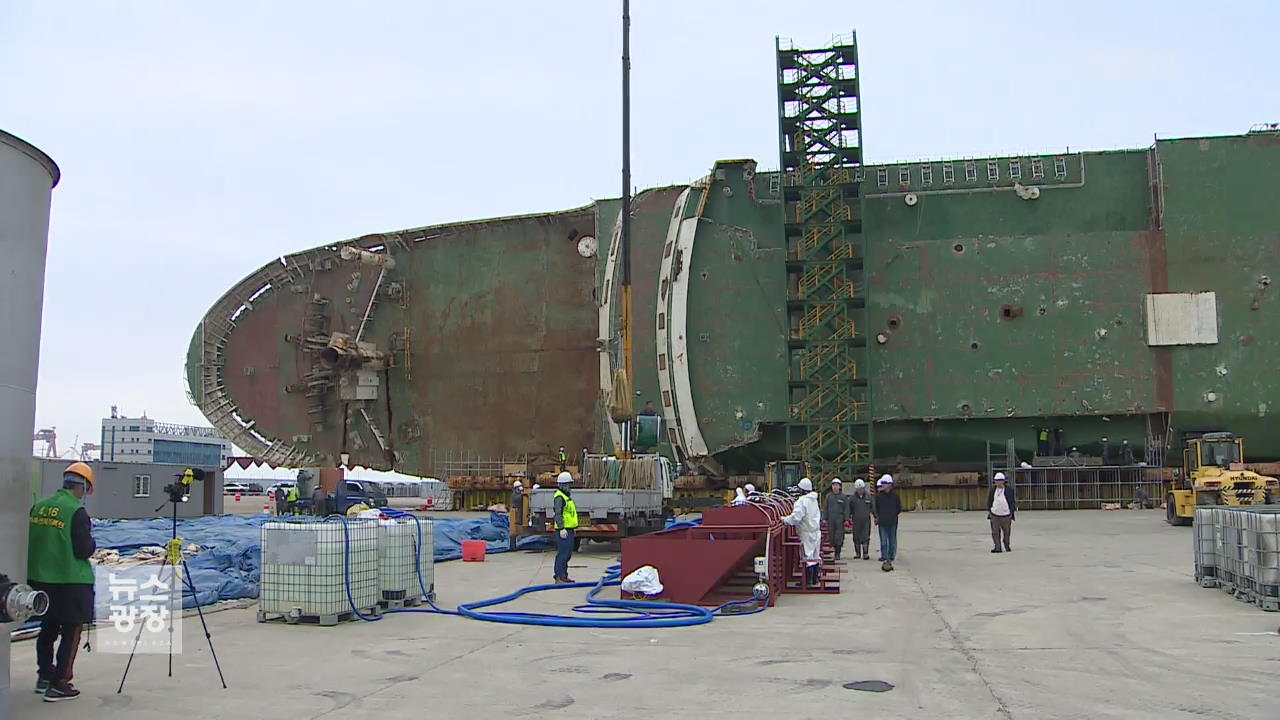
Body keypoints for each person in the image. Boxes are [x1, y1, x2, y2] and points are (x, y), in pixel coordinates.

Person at [28, 462, 97, 702]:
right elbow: (83, 549)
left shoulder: (39, 507)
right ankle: (61, 682)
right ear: (85, 487)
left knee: (47, 629)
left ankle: (44, 676)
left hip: (40, 580)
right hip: (71, 581)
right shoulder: (75, 511)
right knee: (71, 631)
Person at [782, 478, 822, 586]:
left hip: (806, 532)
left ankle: (807, 580)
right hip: (816, 531)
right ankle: (814, 579)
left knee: (807, 557)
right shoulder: (814, 500)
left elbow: (796, 518)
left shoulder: (801, 501)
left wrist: (784, 520)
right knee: (815, 555)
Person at [552, 472, 578, 584]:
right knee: (563, 553)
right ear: (563, 485)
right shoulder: (559, 497)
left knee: (567, 554)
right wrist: (561, 528)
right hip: (563, 530)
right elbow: (558, 513)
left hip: (569, 529)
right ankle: (559, 576)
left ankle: (564, 575)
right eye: (568, 484)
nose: (569, 487)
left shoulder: (566, 497)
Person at [872, 474, 902, 572]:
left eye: (884, 483)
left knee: (892, 541)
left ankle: (891, 556)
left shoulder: (895, 497)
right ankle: (885, 557)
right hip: (882, 522)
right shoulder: (879, 497)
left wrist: (892, 515)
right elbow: (876, 508)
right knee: (884, 541)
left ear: (890, 485)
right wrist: (878, 517)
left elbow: (899, 508)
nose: (883, 485)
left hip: (892, 522)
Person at [988, 472, 1016, 553]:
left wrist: (1011, 513)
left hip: (1006, 515)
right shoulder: (993, 490)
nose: (998, 482)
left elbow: (1012, 502)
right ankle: (997, 547)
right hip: (995, 514)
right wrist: (990, 510)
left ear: (1003, 481)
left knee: (1006, 532)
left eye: (1000, 480)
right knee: (995, 532)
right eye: (996, 480)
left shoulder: (1009, 490)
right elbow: (990, 501)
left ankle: (1006, 545)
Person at [823, 478, 850, 560]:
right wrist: (824, 518)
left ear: (840, 487)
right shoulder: (828, 497)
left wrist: (846, 519)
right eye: (833, 485)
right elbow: (825, 508)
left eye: (837, 485)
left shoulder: (843, 497)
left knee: (839, 537)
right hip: (831, 519)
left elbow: (846, 509)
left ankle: (837, 553)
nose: (835, 487)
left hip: (840, 519)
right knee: (832, 536)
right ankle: (834, 550)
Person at [849, 478, 874, 560]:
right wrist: (848, 518)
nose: (860, 490)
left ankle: (865, 553)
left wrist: (876, 516)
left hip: (866, 520)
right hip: (856, 520)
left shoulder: (869, 497)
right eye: (859, 489)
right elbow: (848, 509)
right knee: (856, 537)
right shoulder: (852, 498)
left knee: (866, 536)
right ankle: (858, 553)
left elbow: (873, 508)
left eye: (862, 489)